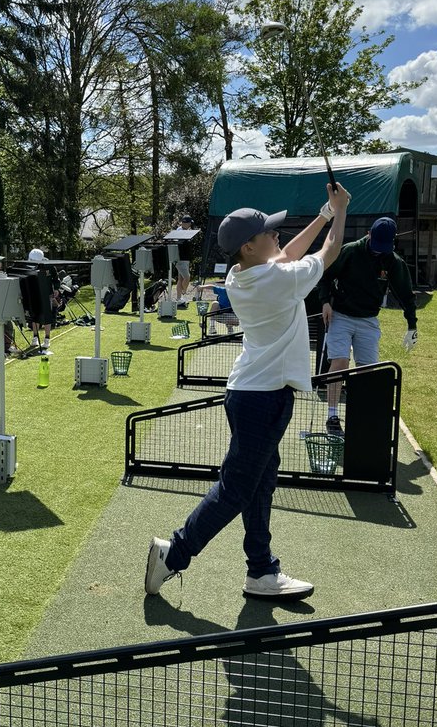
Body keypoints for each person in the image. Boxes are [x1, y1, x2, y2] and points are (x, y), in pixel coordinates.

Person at [145, 183, 351, 601]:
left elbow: (286, 255)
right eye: (269, 232)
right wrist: (341, 212)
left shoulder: (243, 274)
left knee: (259, 482)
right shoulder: (276, 280)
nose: (277, 235)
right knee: (238, 486)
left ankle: (261, 571)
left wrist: (326, 212)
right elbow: (327, 254)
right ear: (249, 248)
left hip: (250, 392)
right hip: (264, 397)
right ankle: (174, 554)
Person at [317, 216, 418, 435]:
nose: (378, 251)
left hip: (368, 319)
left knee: (367, 370)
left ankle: (360, 417)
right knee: (340, 362)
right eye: (376, 244)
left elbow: (406, 295)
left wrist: (412, 325)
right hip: (341, 315)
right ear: (369, 234)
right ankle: (332, 417)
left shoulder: (392, 261)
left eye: (384, 247)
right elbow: (325, 276)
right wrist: (325, 302)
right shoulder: (351, 251)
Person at [27, 248, 52, 352]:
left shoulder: (48, 266)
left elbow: (55, 279)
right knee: (35, 316)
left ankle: (47, 338)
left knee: (46, 316)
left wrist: (55, 290)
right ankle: (35, 337)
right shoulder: (28, 268)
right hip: (33, 294)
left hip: (46, 294)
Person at [174, 215, 195, 303]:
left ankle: (179, 298)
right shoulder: (179, 231)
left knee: (181, 279)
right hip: (180, 259)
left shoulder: (187, 231)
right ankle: (183, 293)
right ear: (185, 223)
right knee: (187, 277)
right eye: (189, 222)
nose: (190, 224)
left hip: (185, 258)